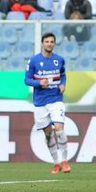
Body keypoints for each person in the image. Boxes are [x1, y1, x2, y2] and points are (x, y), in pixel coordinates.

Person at [24, 32, 71, 174]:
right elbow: (26, 80)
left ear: (54, 44)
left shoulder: (59, 60)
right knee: (49, 134)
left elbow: (63, 75)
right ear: (42, 43)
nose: (49, 44)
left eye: (52, 41)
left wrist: (63, 84)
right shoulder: (34, 61)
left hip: (56, 99)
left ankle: (65, 161)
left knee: (59, 129)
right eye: (47, 41)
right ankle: (56, 163)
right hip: (40, 103)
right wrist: (39, 83)